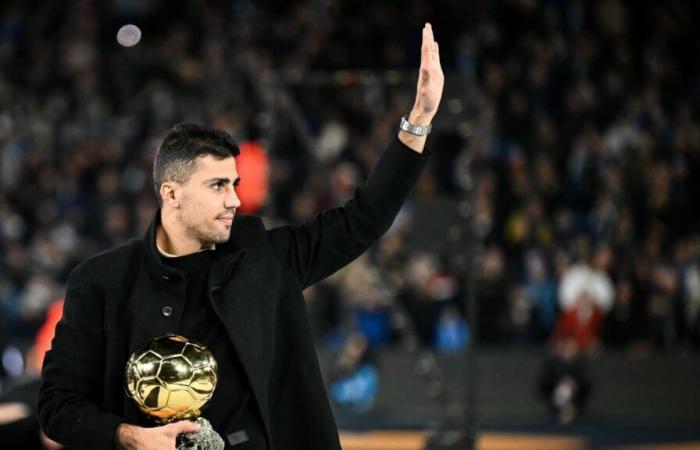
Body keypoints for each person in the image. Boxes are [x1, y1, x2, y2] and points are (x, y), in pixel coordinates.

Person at [38, 23, 444, 450]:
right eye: (217, 186)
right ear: (171, 194)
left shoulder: (264, 256)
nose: (234, 199)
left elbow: (362, 220)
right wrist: (129, 436)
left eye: (234, 184)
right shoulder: (101, 281)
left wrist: (417, 122)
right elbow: (57, 406)